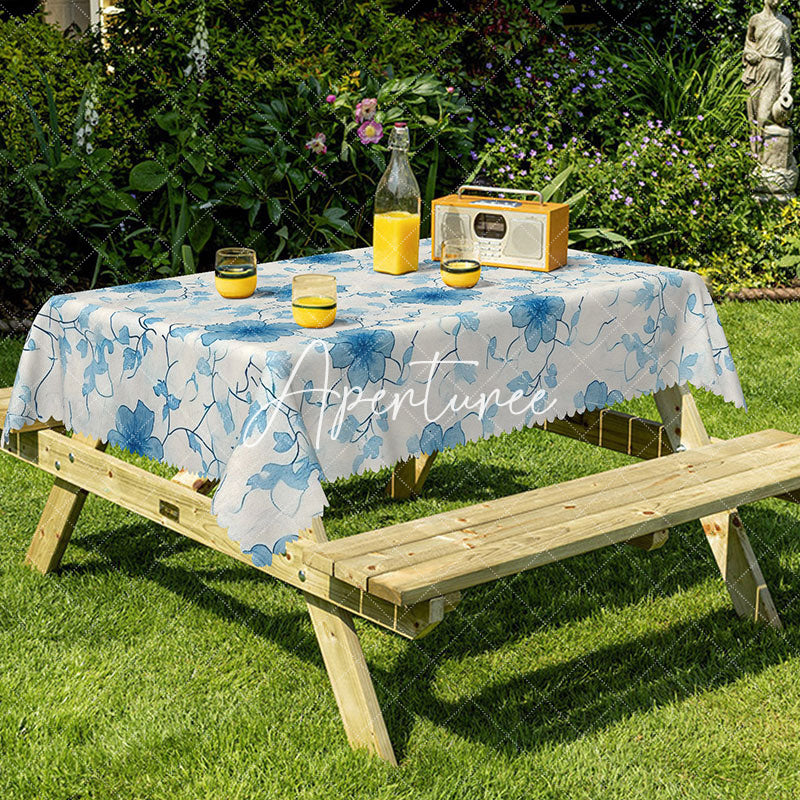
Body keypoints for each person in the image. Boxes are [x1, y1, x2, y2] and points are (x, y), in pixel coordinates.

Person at [742, 0, 793, 154]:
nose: (777, 0)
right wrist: (749, 54)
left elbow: (787, 55)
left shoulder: (784, 23)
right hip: (755, 71)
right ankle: (756, 159)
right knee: (753, 118)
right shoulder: (755, 20)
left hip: (773, 72)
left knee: (764, 118)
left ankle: (767, 157)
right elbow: (748, 44)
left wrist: (787, 83)